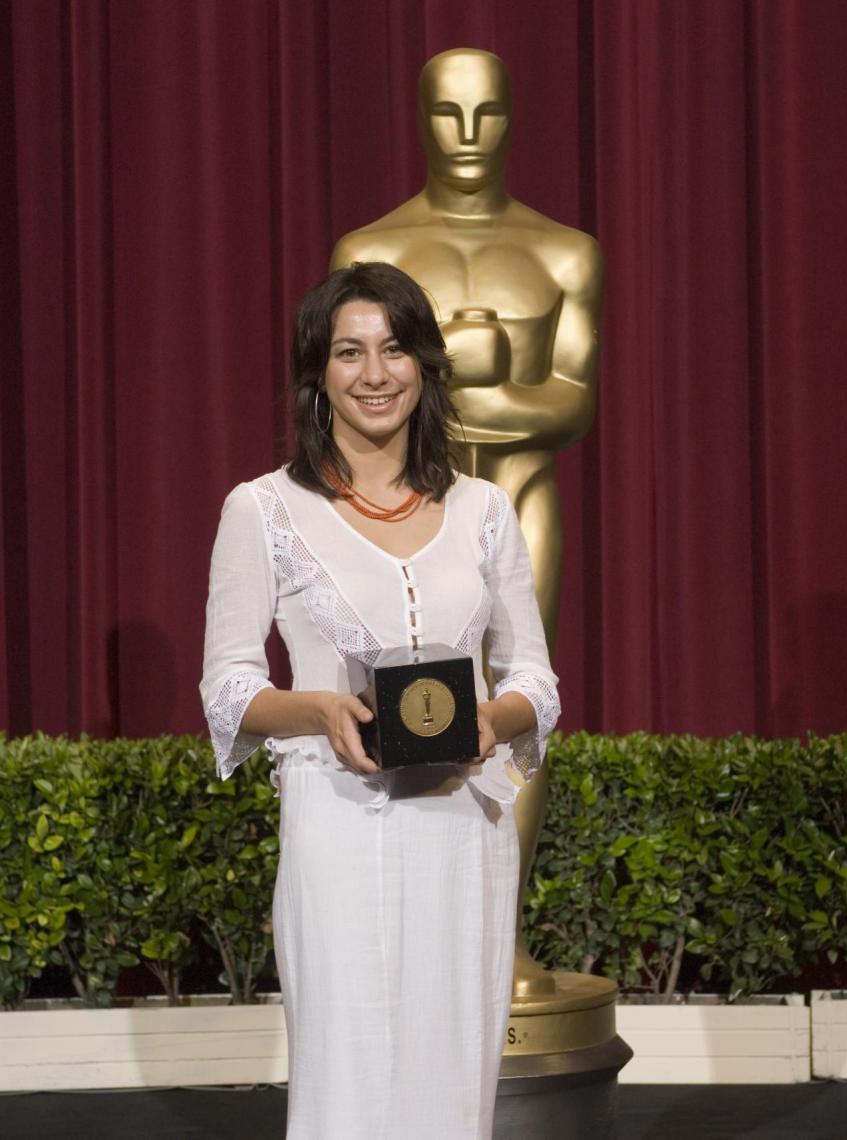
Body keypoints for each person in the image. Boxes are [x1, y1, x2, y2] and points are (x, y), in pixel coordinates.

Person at [200, 261, 559, 1139]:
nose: (374, 373)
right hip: (335, 818)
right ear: (317, 375)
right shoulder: (263, 510)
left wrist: (492, 719)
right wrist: (321, 711)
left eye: (395, 350)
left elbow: (535, 682)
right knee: (348, 1064)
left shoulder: (482, 509)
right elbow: (229, 686)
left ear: (425, 366)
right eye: (349, 352)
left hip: (462, 826)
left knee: (452, 1071)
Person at [330, 49, 602, 997]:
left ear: (513, 116)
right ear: (420, 119)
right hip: (403, 506)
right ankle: (418, 944)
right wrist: (488, 383)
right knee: (398, 706)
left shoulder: (564, 251)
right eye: (450, 115)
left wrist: (440, 390)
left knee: (518, 712)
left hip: (521, 498)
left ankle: (502, 943)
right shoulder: (374, 252)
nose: (470, 135)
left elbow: (571, 404)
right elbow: (349, 397)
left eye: (487, 113)